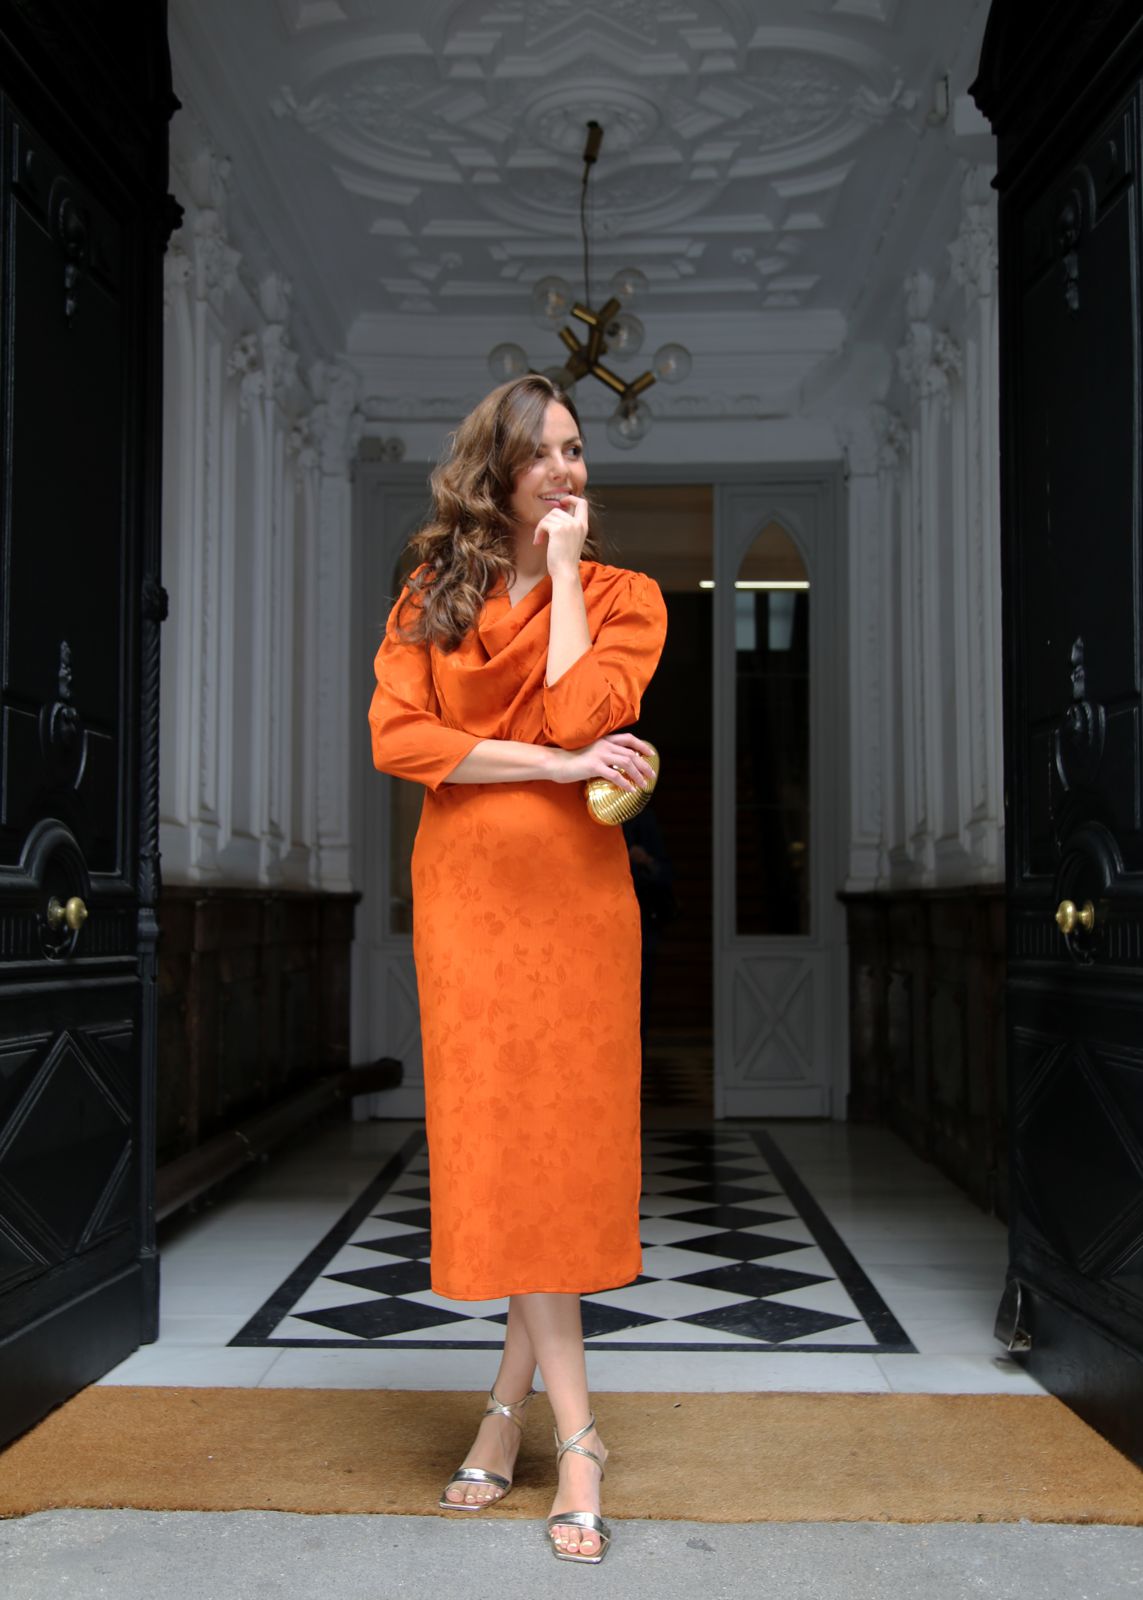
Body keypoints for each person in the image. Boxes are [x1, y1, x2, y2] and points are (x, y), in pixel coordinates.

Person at [367, 374, 667, 1564]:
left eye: (577, 450)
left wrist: (567, 577)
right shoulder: (430, 597)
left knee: (557, 1150)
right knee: (502, 1146)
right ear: (493, 471)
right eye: (542, 452)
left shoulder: (627, 597)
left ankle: (546, 1424)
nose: (566, 469)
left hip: (578, 910)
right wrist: (550, 766)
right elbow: (401, 737)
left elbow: (584, 709)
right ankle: (548, 1423)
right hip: (468, 905)